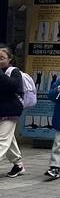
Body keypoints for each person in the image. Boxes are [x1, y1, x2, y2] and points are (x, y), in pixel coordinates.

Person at [0, 46, 25, 178]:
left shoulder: (14, 71)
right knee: (9, 138)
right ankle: (18, 164)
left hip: (11, 110)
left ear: (10, 59)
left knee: (3, 139)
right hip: (1, 110)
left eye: (2, 58)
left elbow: (13, 86)